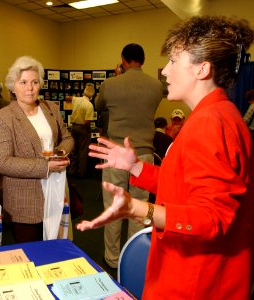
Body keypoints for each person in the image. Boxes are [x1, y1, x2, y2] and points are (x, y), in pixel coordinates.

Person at [78, 16, 254, 299]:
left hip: (196, 282)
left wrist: (139, 209)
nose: (165, 72)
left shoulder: (211, 123)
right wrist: (136, 166)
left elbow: (211, 218)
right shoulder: (213, 114)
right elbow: (184, 185)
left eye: (173, 61)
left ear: (202, 69)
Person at [94, 43, 163, 269]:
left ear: (123, 59)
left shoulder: (111, 84)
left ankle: (112, 259)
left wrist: (116, 78)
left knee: (113, 206)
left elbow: (99, 105)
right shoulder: (155, 86)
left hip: (115, 153)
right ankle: (133, 257)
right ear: (143, 60)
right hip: (143, 154)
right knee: (140, 208)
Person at [0, 56, 74, 243]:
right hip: (25, 200)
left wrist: (60, 154)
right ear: (13, 86)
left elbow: (67, 138)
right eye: (23, 82)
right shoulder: (3, 118)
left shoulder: (50, 108)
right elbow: (3, 163)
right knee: (32, 256)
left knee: (58, 249)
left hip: (56, 189)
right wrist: (46, 167)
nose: (30, 88)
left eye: (34, 82)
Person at [65, 83, 95, 178]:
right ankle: (81, 173)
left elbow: (67, 98)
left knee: (74, 150)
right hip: (83, 129)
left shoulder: (76, 99)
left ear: (84, 92)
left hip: (73, 127)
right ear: (92, 95)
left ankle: (72, 171)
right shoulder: (89, 105)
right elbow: (87, 121)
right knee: (83, 151)